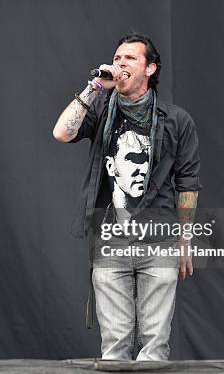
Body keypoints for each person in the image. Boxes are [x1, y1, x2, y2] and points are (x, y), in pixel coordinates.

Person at [52, 33, 201, 360]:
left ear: (150, 68)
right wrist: (94, 87)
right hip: (110, 239)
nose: (120, 64)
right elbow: (62, 132)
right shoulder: (102, 111)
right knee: (115, 345)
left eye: (129, 59)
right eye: (117, 58)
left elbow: (188, 183)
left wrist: (185, 238)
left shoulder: (176, 120)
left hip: (158, 239)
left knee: (155, 343)